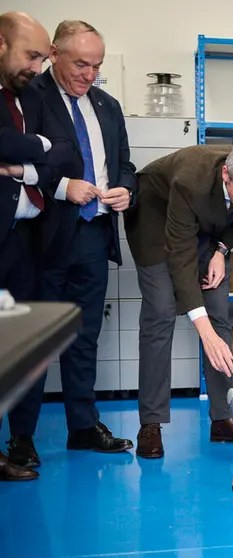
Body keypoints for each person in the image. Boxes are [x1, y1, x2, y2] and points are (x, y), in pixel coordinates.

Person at [15, 20, 136, 467]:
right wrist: (63, 186)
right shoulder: (30, 97)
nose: (89, 75)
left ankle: (83, 427)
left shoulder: (107, 104)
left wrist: (126, 189)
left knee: (85, 337)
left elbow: (124, 164)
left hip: (94, 233)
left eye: (97, 66)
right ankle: (22, 438)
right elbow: (17, 159)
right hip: (43, 239)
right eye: (81, 64)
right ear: (54, 54)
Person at [124, 143, 233, 458]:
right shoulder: (190, 181)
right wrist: (204, 333)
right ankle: (150, 423)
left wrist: (221, 251)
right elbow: (180, 258)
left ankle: (223, 418)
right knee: (162, 312)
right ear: (226, 174)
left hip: (203, 226)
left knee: (219, 312)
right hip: (154, 219)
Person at [0, 11, 57, 481]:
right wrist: (38, 146)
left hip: (25, 240)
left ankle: (20, 442)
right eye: (31, 55)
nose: (37, 67)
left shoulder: (30, 95)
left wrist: (23, 155)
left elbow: (63, 152)